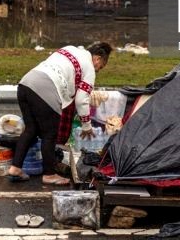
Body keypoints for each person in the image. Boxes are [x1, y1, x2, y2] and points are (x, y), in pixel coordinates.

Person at [7, 41, 112, 185]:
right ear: (98, 58)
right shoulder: (89, 68)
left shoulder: (69, 48)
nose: (98, 70)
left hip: (26, 83)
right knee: (50, 135)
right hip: (46, 89)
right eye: (101, 67)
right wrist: (86, 125)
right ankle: (49, 175)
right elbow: (81, 100)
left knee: (31, 129)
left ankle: (15, 168)